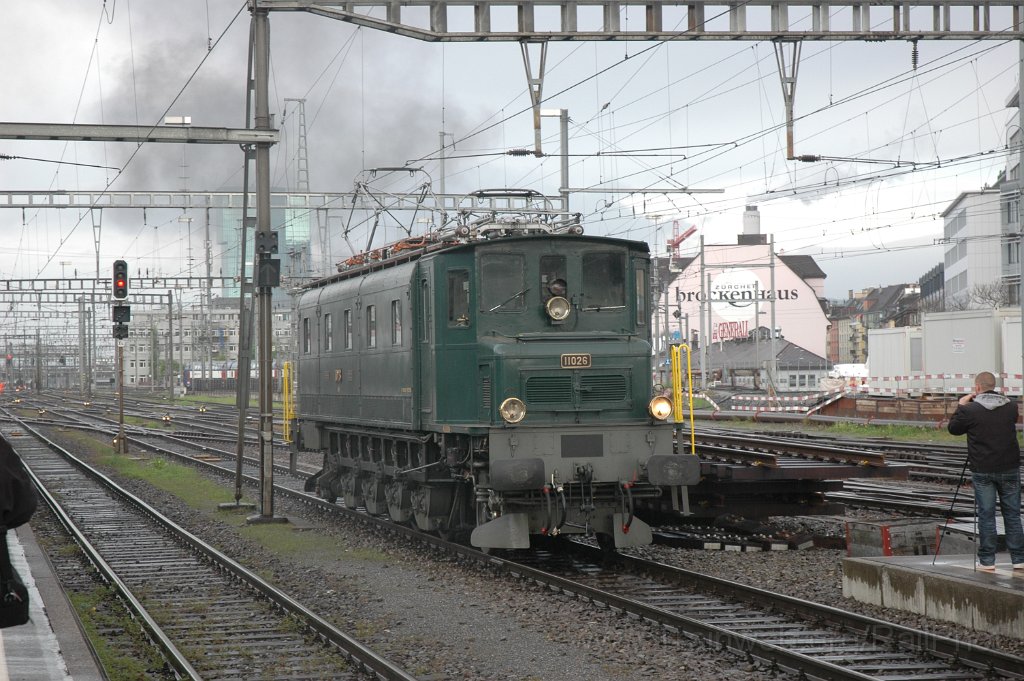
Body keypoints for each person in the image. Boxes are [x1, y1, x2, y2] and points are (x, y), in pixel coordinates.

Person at [947, 371, 1024, 571]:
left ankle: (987, 561)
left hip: (983, 470)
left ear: (977, 388)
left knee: (986, 515)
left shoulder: (970, 410)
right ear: (995, 386)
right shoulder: (1011, 407)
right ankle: (1018, 559)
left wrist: (961, 405)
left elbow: (954, 429)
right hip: (1009, 468)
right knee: (1013, 515)